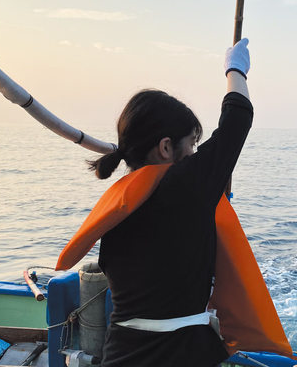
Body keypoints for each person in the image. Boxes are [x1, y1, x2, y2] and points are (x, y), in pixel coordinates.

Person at [88, 39, 253, 366]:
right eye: (191, 143)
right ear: (166, 148)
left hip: (120, 354)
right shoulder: (183, 186)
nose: (194, 153)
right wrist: (236, 69)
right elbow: (238, 117)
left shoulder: (119, 200)